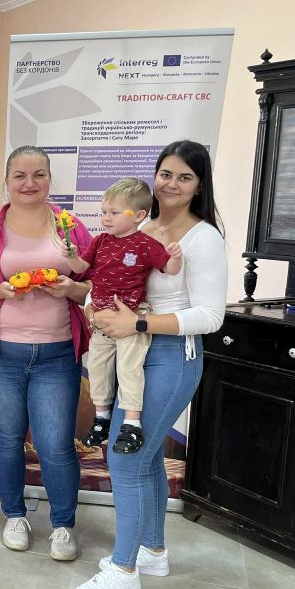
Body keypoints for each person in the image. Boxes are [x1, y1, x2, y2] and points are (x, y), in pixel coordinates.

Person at [74, 140, 227, 589]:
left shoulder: (202, 238)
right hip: (127, 348)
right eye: (166, 173)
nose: (172, 184)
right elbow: (106, 280)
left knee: (126, 458)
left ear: (199, 185)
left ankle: (123, 570)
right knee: (149, 458)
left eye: (185, 177)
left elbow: (210, 316)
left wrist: (138, 323)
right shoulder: (139, 227)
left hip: (170, 356)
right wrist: (92, 306)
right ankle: (152, 551)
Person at [0, 145, 92, 560]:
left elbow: (97, 285)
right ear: (7, 181)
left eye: (39, 174)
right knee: (7, 438)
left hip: (58, 355)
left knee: (56, 444)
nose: (29, 183)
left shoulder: (70, 227)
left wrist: (71, 289)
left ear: (49, 179)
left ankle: (63, 525)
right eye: (20, 175)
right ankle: (14, 515)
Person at [64, 178, 182, 454]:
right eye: (104, 212)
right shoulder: (100, 241)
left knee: (129, 369)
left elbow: (170, 269)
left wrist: (176, 257)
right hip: (102, 321)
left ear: (138, 216)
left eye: (114, 213)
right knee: (97, 367)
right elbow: (81, 267)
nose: (106, 218)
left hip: (131, 320)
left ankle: (132, 424)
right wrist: (71, 256)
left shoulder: (145, 244)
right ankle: (102, 418)